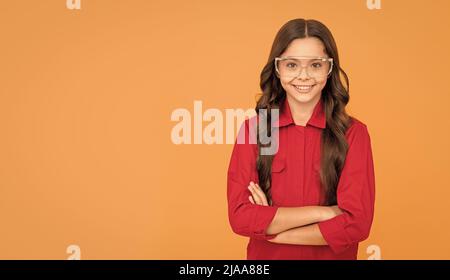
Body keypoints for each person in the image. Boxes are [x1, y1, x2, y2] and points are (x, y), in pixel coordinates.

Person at [227, 18, 376, 260]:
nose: (304, 76)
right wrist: (325, 213)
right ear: (277, 68)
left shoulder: (353, 133)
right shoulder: (256, 131)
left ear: (329, 68)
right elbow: (241, 217)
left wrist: (272, 229)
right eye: (292, 65)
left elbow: (357, 224)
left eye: (315, 65)